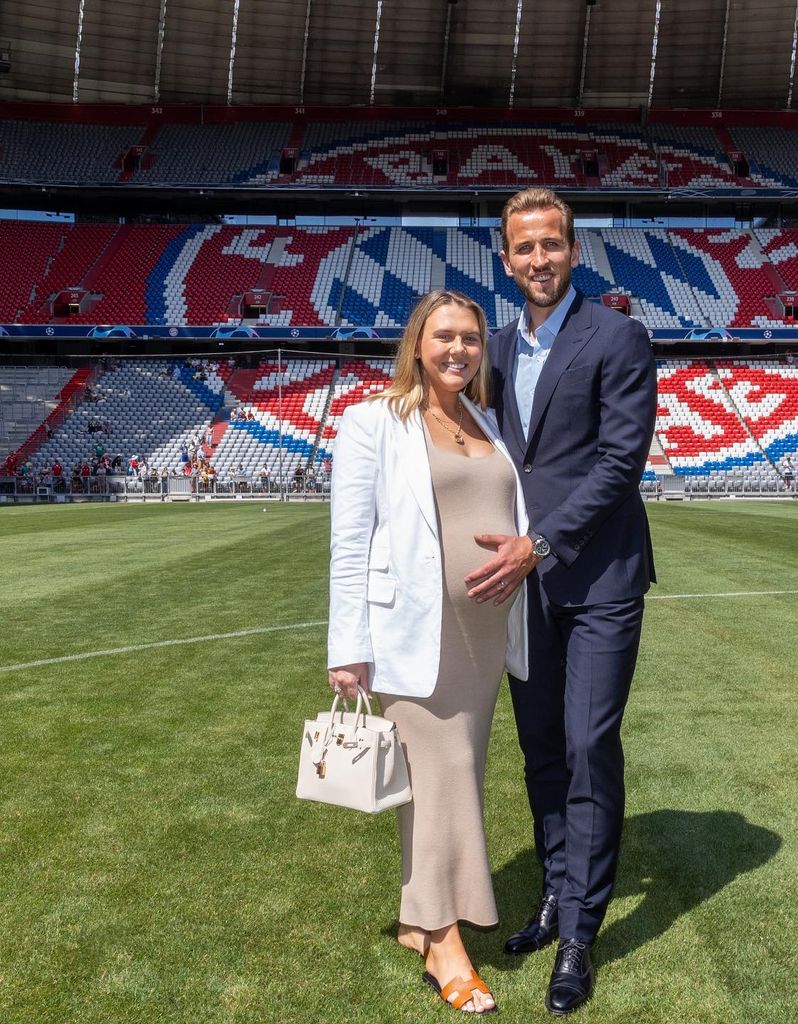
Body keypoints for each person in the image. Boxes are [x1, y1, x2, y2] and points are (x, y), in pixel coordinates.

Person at [465, 187, 657, 1015]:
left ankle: (580, 931)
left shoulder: (618, 336)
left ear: (573, 251)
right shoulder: (494, 349)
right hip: (524, 589)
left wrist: (538, 543)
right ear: (504, 260)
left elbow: (620, 464)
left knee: (587, 744)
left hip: (601, 577)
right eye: (523, 248)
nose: (538, 259)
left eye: (552, 244)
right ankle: (553, 891)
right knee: (541, 748)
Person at [327, 289, 530, 1015]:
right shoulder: (372, 422)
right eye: (444, 336)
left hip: (483, 636)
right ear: (418, 342)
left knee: (457, 774)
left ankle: (418, 920)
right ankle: (444, 943)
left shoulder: (486, 418)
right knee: (441, 775)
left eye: (471, 338)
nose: (458, 350)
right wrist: (347, 647)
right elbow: (349, 544)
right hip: (415, 632)